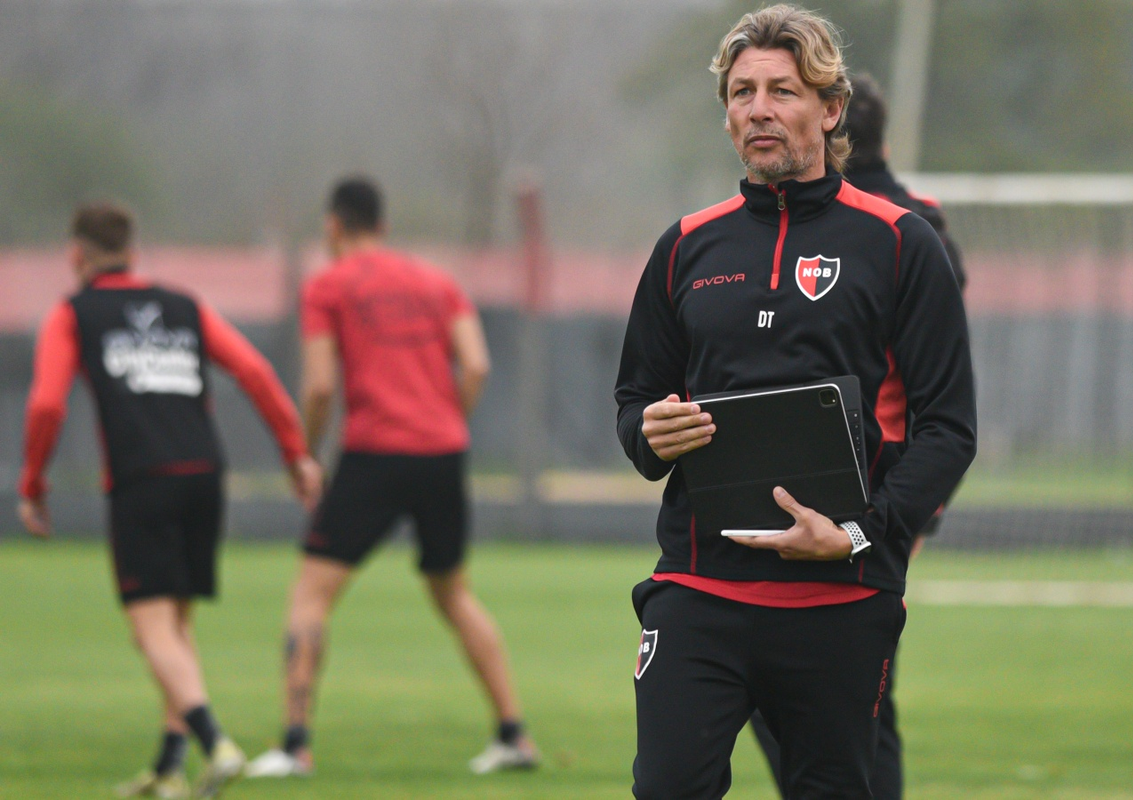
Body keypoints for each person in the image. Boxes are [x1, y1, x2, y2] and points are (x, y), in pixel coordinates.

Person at [613, 6, 976, 798]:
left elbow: (949, 428)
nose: (759, 109)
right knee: (667, 786)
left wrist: (857, 534)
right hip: (699, 590)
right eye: (742, 92)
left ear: (831, 108)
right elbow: (636, 398)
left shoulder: (900, 243)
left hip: (839, 601)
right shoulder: (684, 245)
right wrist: (650, 432)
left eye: (783, 90)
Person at [17, 202, 322, 799]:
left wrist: (33, 484)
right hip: (204, 472)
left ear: (75, 255)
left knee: (150, 629)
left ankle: (217, 743)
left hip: (142, 477)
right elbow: (255, 372)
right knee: (173, 628)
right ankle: (168, 766)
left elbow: (47, 405)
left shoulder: (73, 314)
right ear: (134, 251)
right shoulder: (185, 305)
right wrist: (295, 453)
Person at [244, 177, 539, 779]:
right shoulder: (437, 281)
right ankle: (514, 735)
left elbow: (321, 385)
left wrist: (306, 453)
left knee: (311, 594)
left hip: (374, 454)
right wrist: (447, 419)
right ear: (381, 222)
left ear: (333, 226)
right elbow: (477, 363)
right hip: (443, 454)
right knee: (453, 593)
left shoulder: (327, 285)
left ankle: (294, 745)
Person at [746, 72, 969, 799]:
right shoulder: (921, 218)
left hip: (858, 474)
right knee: (857, 672)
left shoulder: (877, 227)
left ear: (832, 122)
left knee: (822, 672)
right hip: (906, 479)